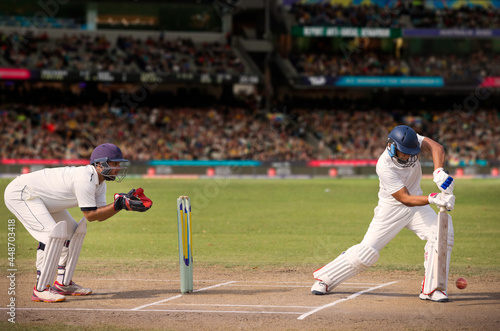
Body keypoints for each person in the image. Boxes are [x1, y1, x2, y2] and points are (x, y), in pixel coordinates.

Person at [311, 125, 456, 302]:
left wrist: (438, 171)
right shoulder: (384, 165)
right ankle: (325, 278)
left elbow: (437, 147)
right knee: (366, 254)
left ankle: (433, 288)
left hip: (417, 205)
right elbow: (404, 198)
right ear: (392, 147)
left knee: (443, 233)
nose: (409, 157)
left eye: (412, 153)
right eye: (404, 153)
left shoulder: (410, 140)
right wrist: (434, 198)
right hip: (392, 209)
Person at [4, 143, 152, 303]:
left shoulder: (100, 183)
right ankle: (40, 289)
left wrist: (122, 205)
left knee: (73, 234)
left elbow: (100, 215)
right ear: (100, 164)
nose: (118, 168)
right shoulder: (85, 179)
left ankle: (63, 283)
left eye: (119, 164)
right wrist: (119, 204)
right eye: (114, 163)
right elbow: (90, 215)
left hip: (45, 199)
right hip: (22, 193)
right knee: (51, 237)